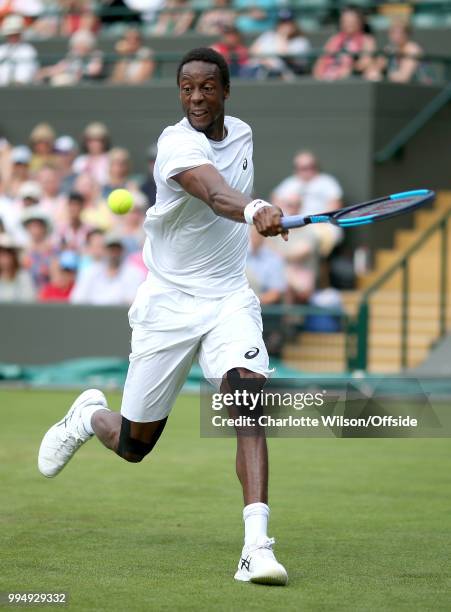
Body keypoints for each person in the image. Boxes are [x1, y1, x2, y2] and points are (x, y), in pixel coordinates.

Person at [38, 47, 289, 586]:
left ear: (226, 90)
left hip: (228, 299)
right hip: (169, 305)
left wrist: (260, 213)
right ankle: (86, 418)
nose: (196, 97)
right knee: (133, 445)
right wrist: (252, 209)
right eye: (186, 88)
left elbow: (233, 197)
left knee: (248, 402)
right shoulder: (176, 143)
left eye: (206, 87)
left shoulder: (241, 133)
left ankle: (257, 547)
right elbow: (215, 193)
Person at [273, 150, 343, 257]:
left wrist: (317, 222)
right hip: (294, 225)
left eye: (310, 167)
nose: (306, 171)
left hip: (318, 225)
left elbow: (334, 208)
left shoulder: (326, 182)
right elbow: (275, 201)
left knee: (306, 244)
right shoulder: (290, 183)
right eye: (302, 168)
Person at [69, 233, 144, 304]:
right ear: (104, 250)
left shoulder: (134, 273)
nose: (114, 254)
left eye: (117, 250)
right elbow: (77, 300)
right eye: (111, 249)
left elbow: (134, 302)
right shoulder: (90, 272)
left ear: (123, 251)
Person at [313, 6, 376, 81]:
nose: (348, 24)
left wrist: (350, 69)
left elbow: (366, 62)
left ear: (360, 22)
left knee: (373, 74)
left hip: (351, 78)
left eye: (352, 21)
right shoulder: (334, 39)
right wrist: (319, 76)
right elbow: (321, 62)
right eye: (345, 21)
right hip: (328, 76)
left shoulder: (367, 40)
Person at [249, 9, 311, 78]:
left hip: (285, 74)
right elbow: (252, 51)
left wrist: (283, 36)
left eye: (288, 22)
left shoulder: (300, 41)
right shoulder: (268, 35)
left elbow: (285, 54)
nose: (285, 25)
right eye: (282, 22)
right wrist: (265, 61)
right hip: (259, 69)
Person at [35, 29, 104, 86]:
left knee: (61, 80)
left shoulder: (96, 54)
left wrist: (80, 72)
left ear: (88, 45)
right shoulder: (73, 55)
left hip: (87, 83)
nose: (78, 48)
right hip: (72, 81)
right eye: (76, 45)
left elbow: (94, 71)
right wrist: (45, 72)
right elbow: (60, 67)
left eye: (81, 45)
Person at [0, 14, 39, 86]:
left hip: (23, 90)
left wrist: (19, 82)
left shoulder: (28, 50)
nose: (13, 37)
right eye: (10, 35)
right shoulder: (1, 50)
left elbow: (29, 72)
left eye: (16, 34)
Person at [72, 122, 110, 186]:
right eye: (90, 140)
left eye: (98, 140)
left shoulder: (110, 159)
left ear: (105, 142)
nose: (95, 143)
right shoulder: (80, 161)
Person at [0, 233, 35, 302]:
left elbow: (28, 302)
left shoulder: (24, 277)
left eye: (9, 253)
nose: (5, 258)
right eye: (2, 253)